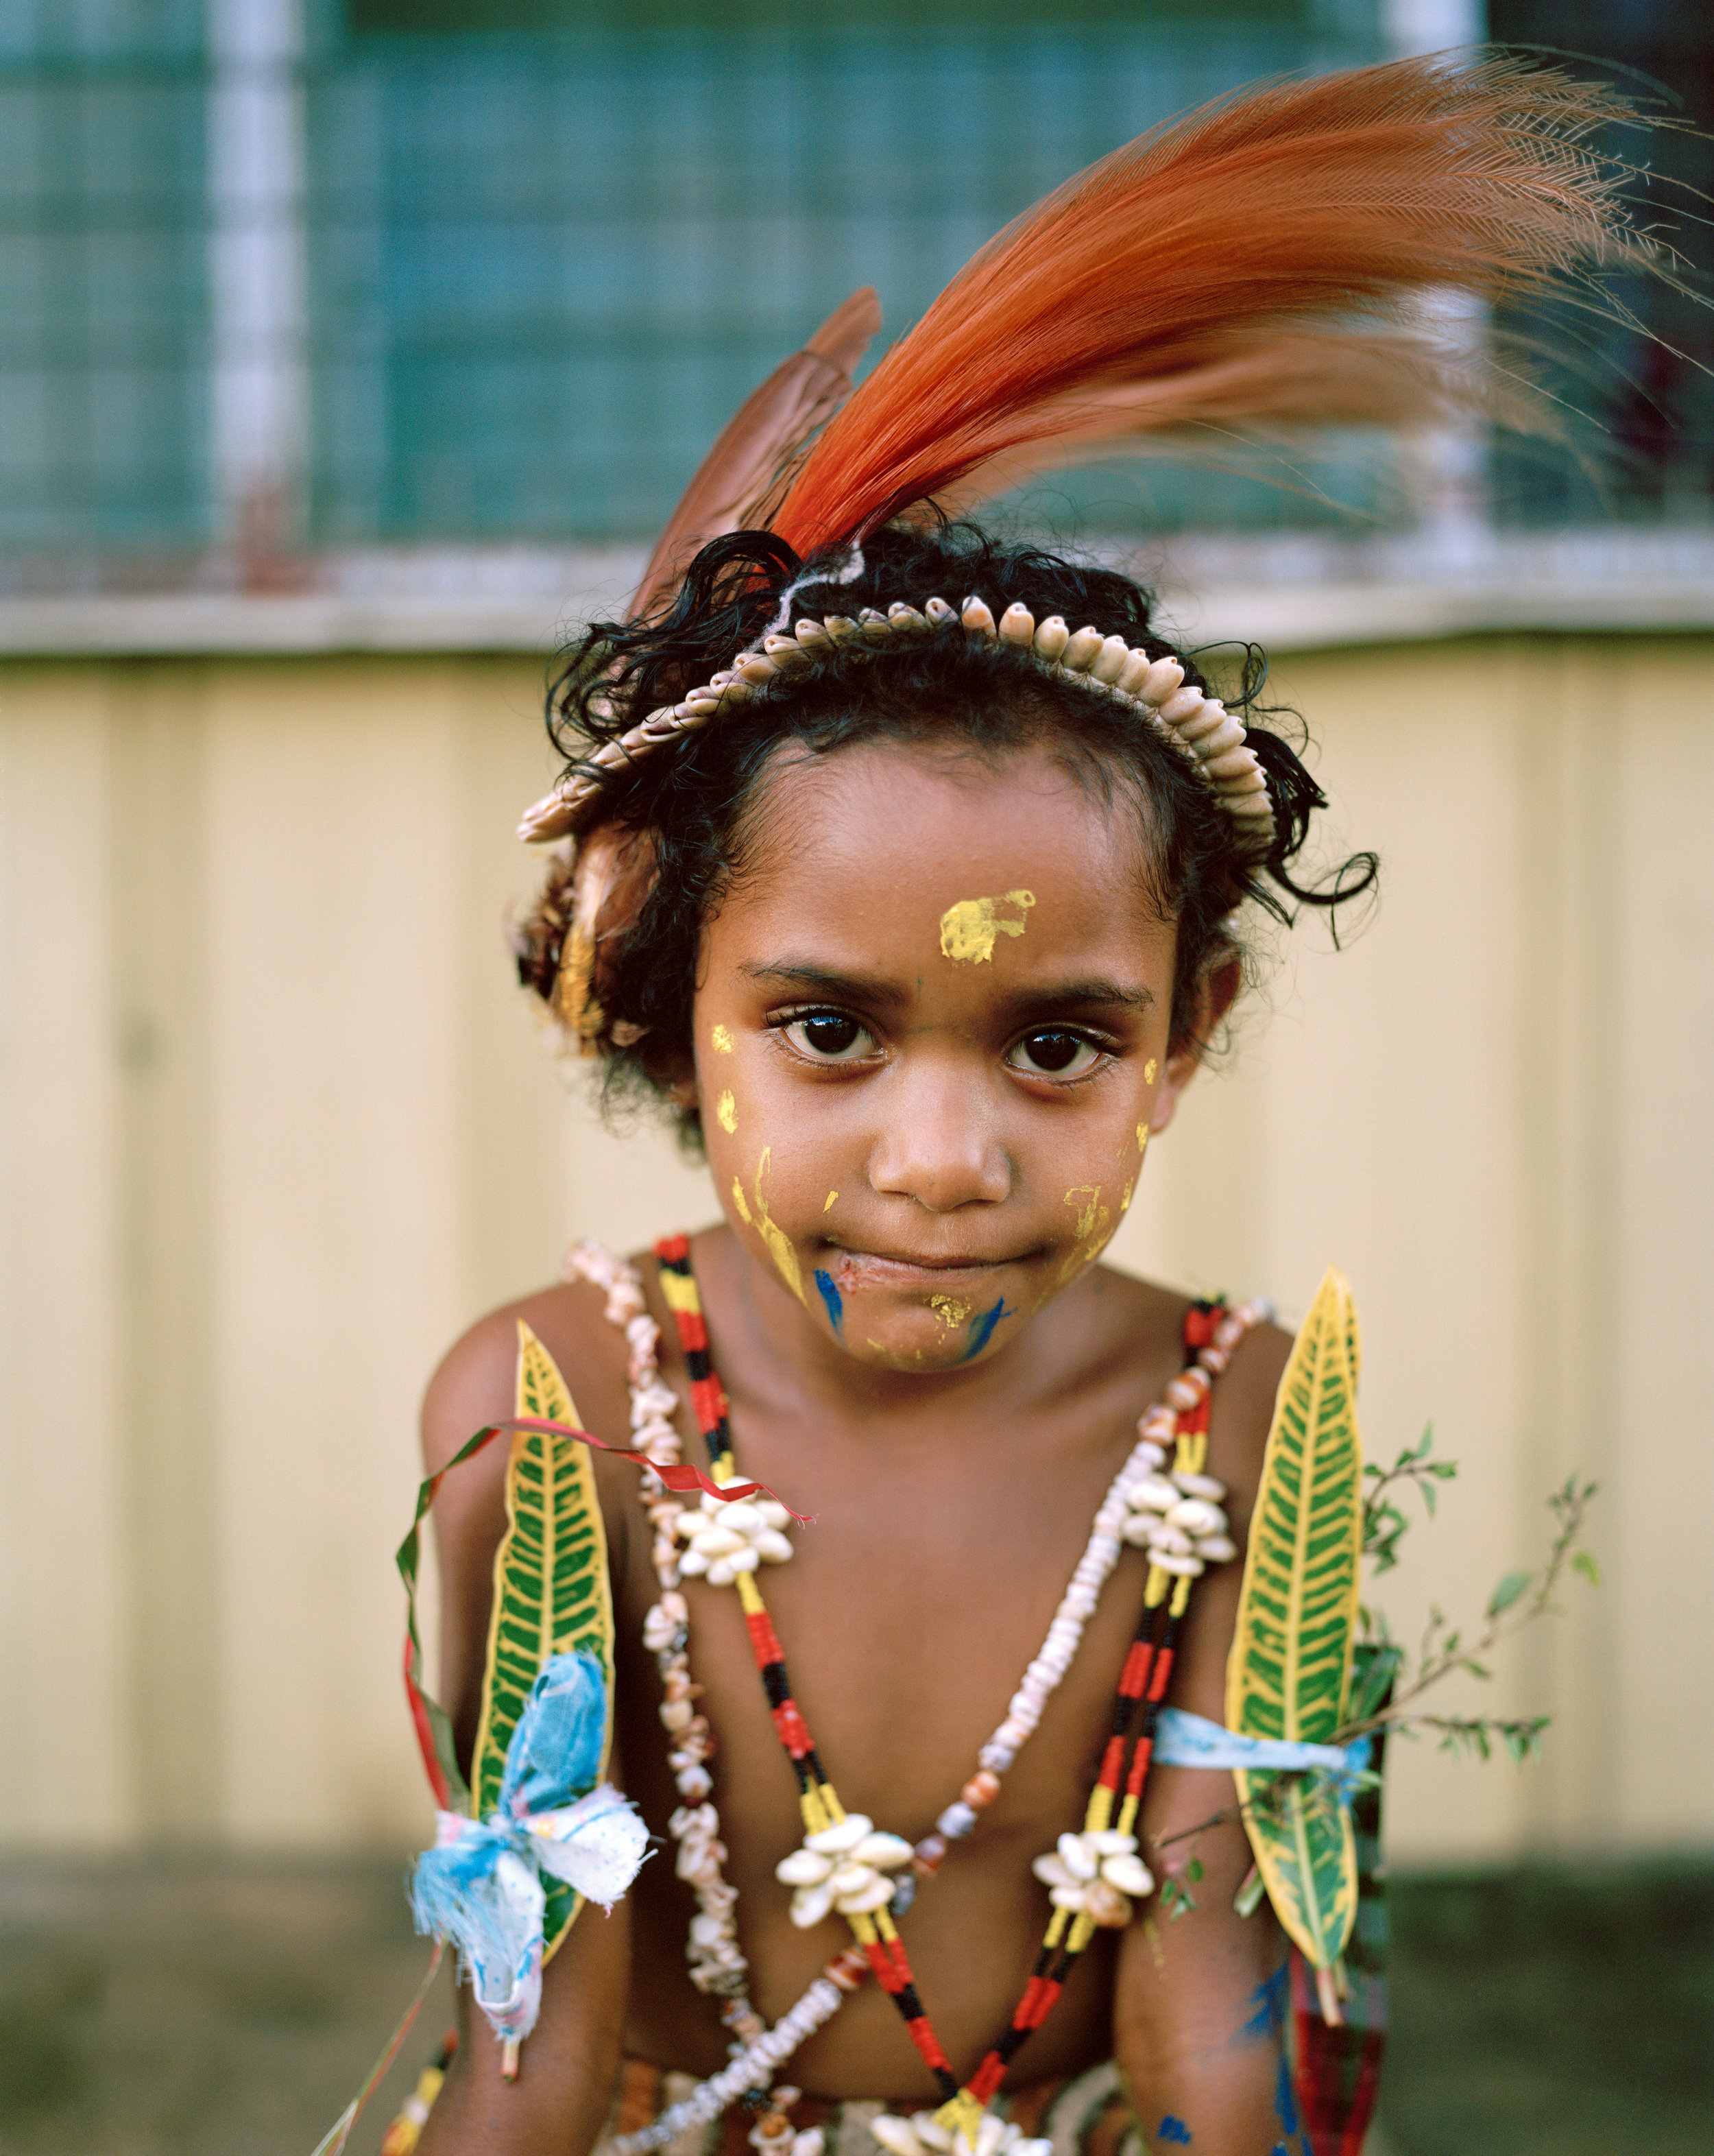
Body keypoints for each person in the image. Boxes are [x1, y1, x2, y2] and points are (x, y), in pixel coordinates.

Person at [400, 51, 1644, 2156]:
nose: (940, 1158)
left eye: (1055, 1043)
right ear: (657, 991)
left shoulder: (1245, 1422)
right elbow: (525, 2032)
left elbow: (1220, 2013)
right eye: (827, 1032)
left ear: (1181, 1032)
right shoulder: (544, 1414)